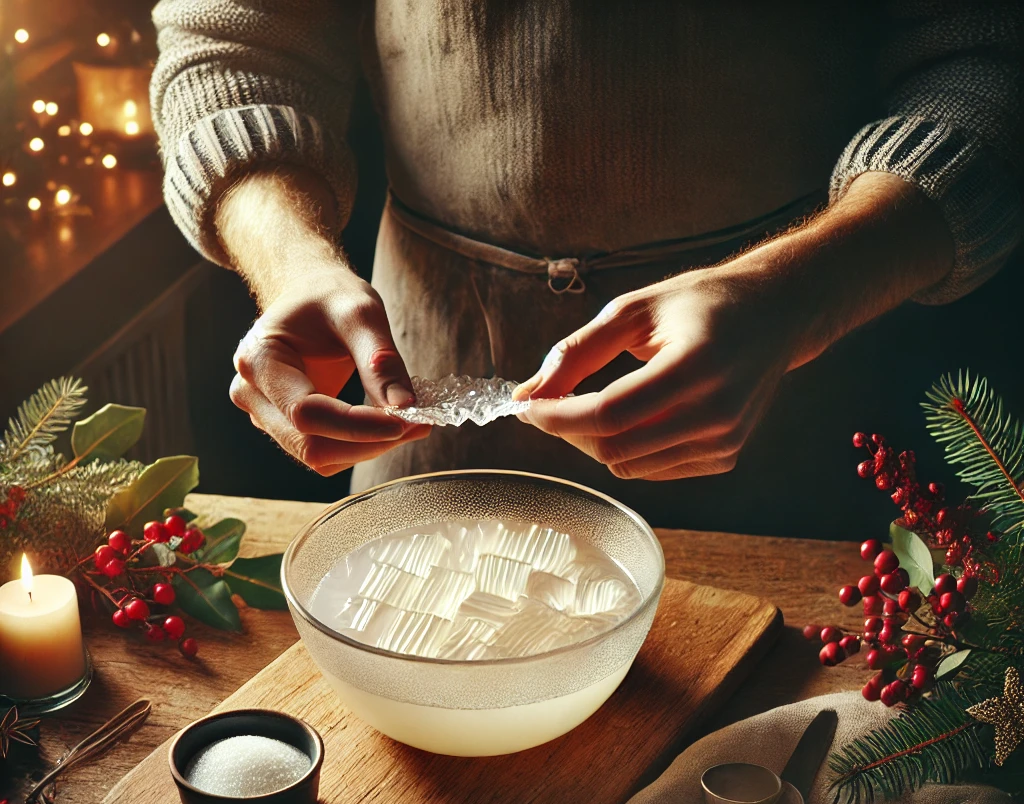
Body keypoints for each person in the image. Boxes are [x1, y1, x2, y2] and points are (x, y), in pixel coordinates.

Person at [151, 2, 1021, 531]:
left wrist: (795, 292)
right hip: (423, 390)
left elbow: (990, 59)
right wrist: (292, 262)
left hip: (791, 404)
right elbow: (233, 45)